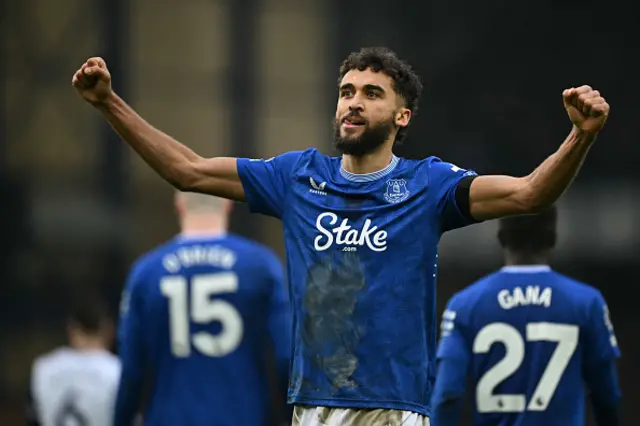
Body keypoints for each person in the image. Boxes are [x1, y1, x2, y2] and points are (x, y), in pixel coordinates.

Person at [72, 46, 610, 426]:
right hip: (314, 406)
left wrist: (579, 137)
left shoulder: (428, 185)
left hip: (394, 408)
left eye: (371, 94)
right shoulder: (296, 177)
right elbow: (187, 171)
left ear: (402, 116)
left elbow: (528, 195)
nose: (352, 102)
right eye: (346, 91)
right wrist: (106, 102)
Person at [431, 206, 621, 426]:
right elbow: (607, 395)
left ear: (501, 237)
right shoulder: (586, 302)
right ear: (553, 237)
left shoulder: (465, 305)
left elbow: (448, 395)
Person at [114, 192, 291, 426]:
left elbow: (131, 372)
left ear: (178, 205)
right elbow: (287, 356)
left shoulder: (146, 274)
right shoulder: (261, 266)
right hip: (243, 417)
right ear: (228, 204)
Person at [26, 297, 120, 426]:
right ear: (109, 330)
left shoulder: (43, 368)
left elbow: (32, 420)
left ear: (71, 329)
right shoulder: (117, 372)